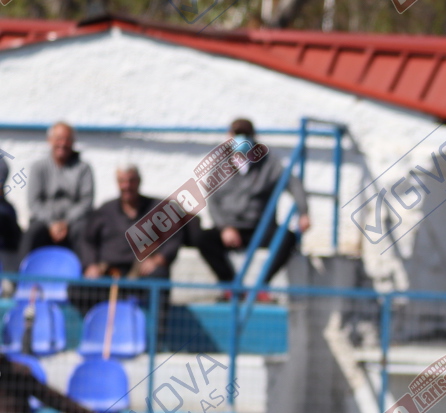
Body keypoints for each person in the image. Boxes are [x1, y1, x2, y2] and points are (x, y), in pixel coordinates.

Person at [194, 119, 310, 287]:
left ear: (254, 136)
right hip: (230, 229)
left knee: (287, 238)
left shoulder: (268, 163)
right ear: (229, 136)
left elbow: (293, 183)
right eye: (237, 134)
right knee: (203, 239)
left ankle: (262, 286)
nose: (241, 138)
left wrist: (304, 212)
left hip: (260, 228)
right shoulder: (220, 165)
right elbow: (213, 201)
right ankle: (230, 286)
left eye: (245, 134)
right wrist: (225, 227)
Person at [75, 166, 183, 312]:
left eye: (131, 181)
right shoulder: (105, 210)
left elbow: (174, 238)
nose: (127, 186)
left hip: (141, 273)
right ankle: (96, 322)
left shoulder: (157, 208)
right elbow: (87, 240)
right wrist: (91, 265)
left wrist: (158, 260)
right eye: (122, 181)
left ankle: (156, 326)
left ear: (139, 181)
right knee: (76, 290)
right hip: (108, 273)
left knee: (159, 276)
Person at [20, 122, 94, 257]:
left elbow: (86, 201)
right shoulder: (38, 167)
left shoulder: (83, 168)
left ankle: (87, 269)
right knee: (32, 233)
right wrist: (51, 223)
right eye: (59, 139)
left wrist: (66, 222)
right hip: (45, 220)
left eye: (67, 139)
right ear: (49, 140)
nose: (63, 143)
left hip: (74, 222)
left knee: (84, 231)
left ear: (73, 142)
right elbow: (34, 202)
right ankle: (22, 269)